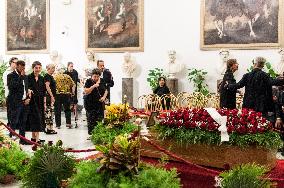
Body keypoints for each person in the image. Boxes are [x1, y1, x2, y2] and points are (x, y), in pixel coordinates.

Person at [7, 60, 31, 144]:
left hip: (24, 102)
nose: (23, 69)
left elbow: (26, 89)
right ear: (17, 66)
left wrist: (28, 98)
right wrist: (20, 77)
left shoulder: (25, 76)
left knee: (23, 122)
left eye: (24, 67)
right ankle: (9, 141)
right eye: (21, 67)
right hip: (15, 102)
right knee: (14, 121)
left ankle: (23, 140)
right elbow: (12, 87)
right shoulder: (11, 75)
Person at [84, 68, 108, 136]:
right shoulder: (88, 81)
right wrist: (93, 86)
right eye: (94, 76)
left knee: (100, 119)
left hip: (99, 104)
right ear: (92, 76)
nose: (96, 78)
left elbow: (106, 90)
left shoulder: (102, 81)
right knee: (91, 119)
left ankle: (98, 134)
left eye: (97, 76)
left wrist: (104, 97)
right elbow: (86, 91)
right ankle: (91, 135)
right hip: (90, 103)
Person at [27, 61, 46, 143]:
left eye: (39, 68)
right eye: (36, 68)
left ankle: (34, 138)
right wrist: (28, 90)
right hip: (32, 102)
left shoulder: (42, 78)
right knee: (34, 119)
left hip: (40, 101)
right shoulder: (28, 77)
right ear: (33, 68)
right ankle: (37, 140)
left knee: (38, 119)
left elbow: (44, 91)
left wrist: (44, 102)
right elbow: (25, 88)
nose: (38, 69)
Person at [54, 64, 75, 129]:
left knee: (57, 110)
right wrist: (73, 92)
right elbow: (73, 85)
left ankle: (58, 125)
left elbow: (53, 86)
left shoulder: (55, 77)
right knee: (67, 109)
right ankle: (68, 123)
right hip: (66, 94)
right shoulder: (68, 76)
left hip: (57, 95)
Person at [3, 57, 18, 126]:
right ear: (11, 63)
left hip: (18, 96)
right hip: (10, 95)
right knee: (10, 113)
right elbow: (7, 84)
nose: (16, 64)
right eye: (15, 62)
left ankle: (14, 128)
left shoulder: (18, 72)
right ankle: (10, 130)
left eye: (17, 63)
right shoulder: (6, 72)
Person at [64, 62, 80, 127]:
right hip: (67, 92)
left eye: (72, 66)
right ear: (67, 66)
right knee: (68, 106)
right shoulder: (65, 73)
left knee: (75, 104)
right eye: (71, 66)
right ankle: (68, 121)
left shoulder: (75, 72)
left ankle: (76, 119)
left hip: (74, 91)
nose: (72, 68)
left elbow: (76, 80)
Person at [44, 64, 57, 134]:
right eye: (52, 68)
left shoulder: (50, 76)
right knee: (49, 113)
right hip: (49, 97)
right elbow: (47, 86)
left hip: (51, 97)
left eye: (54, 68)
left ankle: (51, 128)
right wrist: (52, 96)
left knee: (51, 112)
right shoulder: (47, 76)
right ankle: (49, 129)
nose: (53, 69)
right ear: (48, 69)